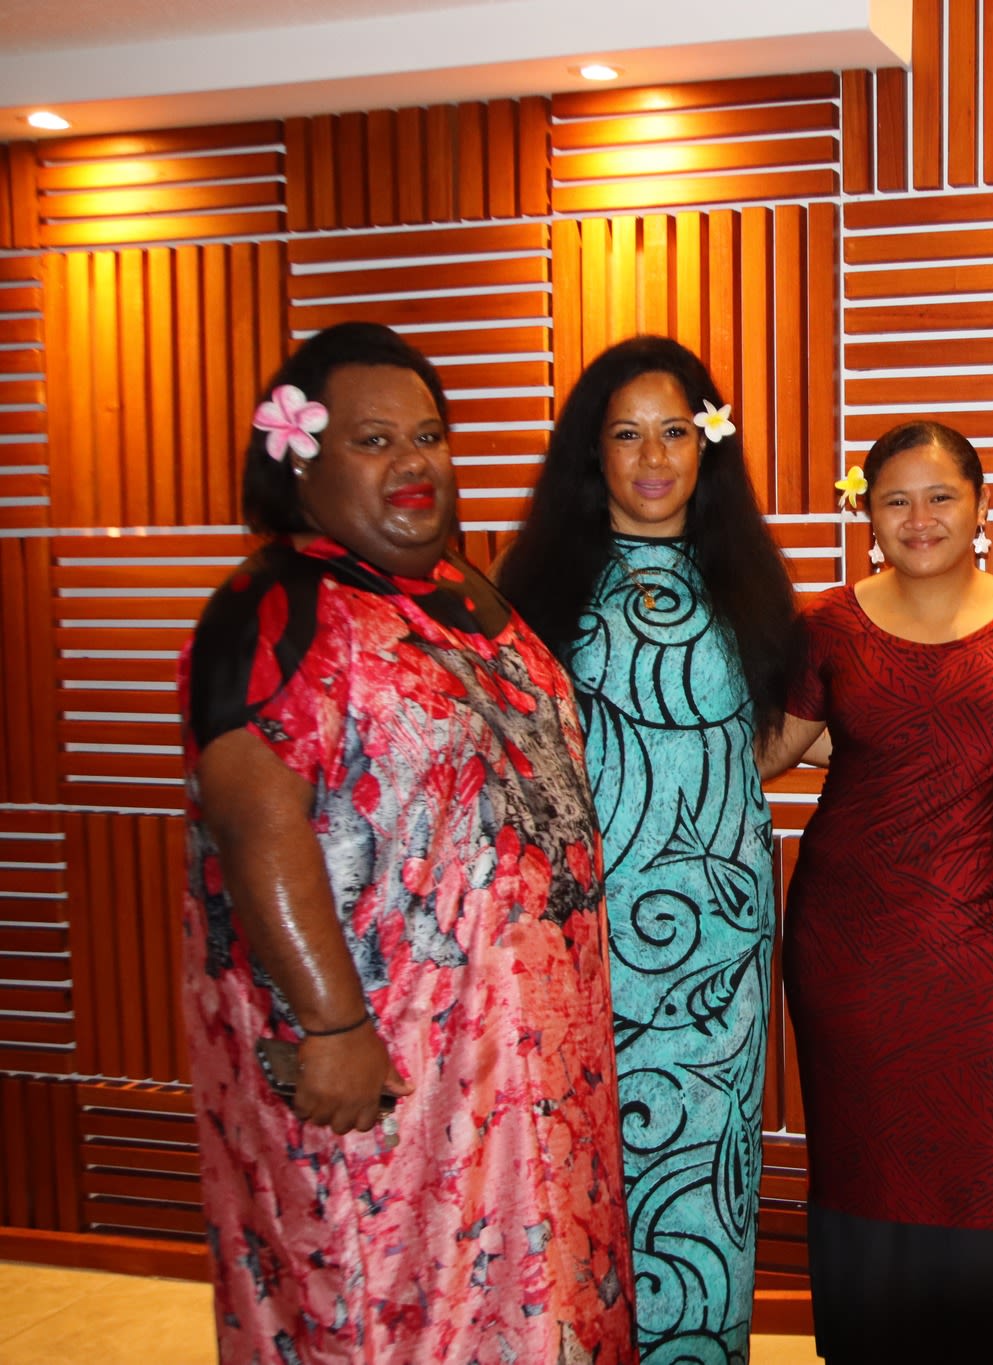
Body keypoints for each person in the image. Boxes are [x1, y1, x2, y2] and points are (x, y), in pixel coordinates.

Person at [179, 322, 634, 1365]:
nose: (415, 463)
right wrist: (332, 1023)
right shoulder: (279, 605)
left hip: (524, 1068)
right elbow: (256, 821)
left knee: (538, 1299)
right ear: (299, 457)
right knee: (382, 1308)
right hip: (383, 1071)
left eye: (428, 435)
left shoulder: (470, 595)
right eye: (374, 442)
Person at [497, 335, 800, 1363]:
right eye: (625, 434)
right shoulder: (535, 592)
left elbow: (753, 750)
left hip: (721, 959)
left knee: (708, 1180)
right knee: (590, 1183)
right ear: (593, 454)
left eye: (676, 429)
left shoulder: (744, 585)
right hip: (590, 948)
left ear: (707, 446)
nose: (654, 455)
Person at [758, 421, 993, 1364]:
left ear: (982, 507)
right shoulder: (827, 624)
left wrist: (964, 790)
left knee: (990, 1160)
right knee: (861, 1157)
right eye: (896, 498)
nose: (920, 516)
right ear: (868, 513)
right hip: (853, 941)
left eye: (942, 496)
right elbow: (768, 752)